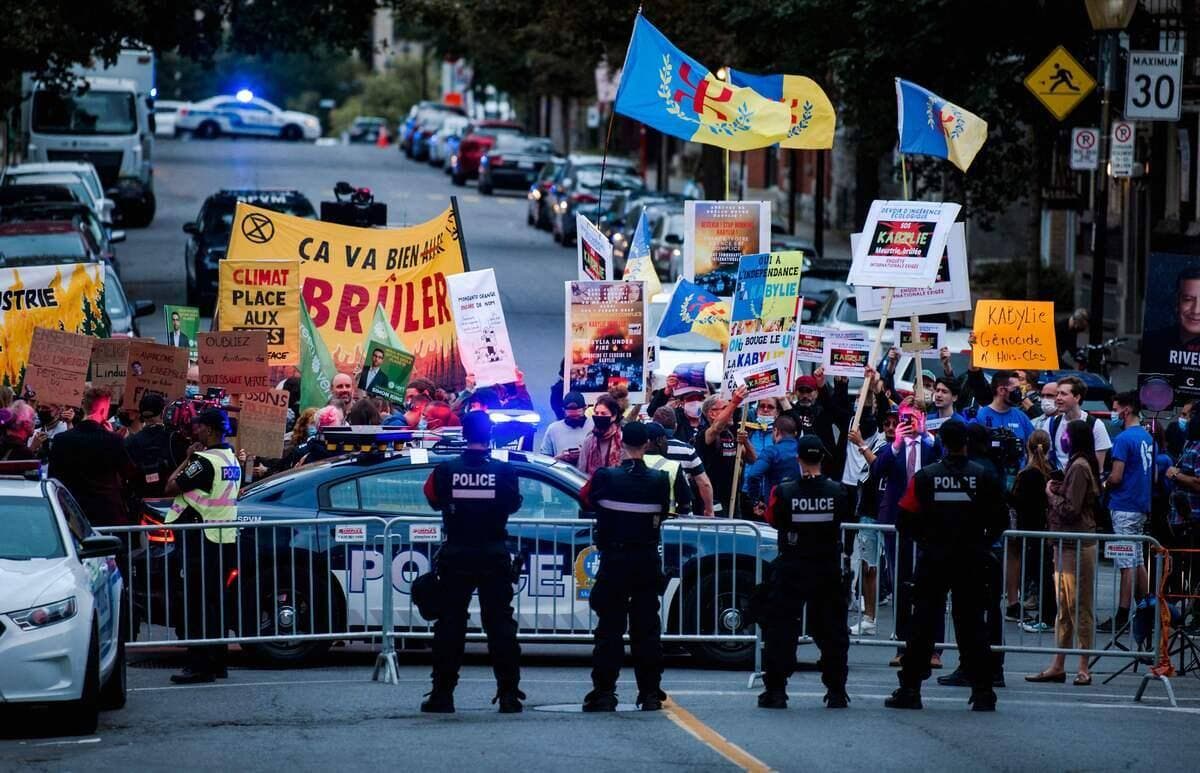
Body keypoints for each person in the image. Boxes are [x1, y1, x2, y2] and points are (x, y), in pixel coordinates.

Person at [885, 420, 1007, 712]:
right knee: (973, 626)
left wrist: (926, 540)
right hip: (971, 558)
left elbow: (904, 519)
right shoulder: (983, 476)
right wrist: (982, 542)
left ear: (941, 442)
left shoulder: (926, 477)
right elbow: (1001, 518)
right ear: (966, 443)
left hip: (934, 558)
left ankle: (910, 690)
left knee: (922, 626)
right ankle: (983, 692)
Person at [420, 411, 524, 713]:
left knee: (450, 625)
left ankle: (442, 695)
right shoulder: (504, 471)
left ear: (463, 434)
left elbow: (433, 499)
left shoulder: (445, 470)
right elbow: (514, 504)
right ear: (489, 434)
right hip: (493, 554)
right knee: (500, 625)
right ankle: (508, 695)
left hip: (457, 554)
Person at [580, 422, 672, 712]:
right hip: (645, 560)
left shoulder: (606, 477)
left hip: (615, 561)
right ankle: (650, 693)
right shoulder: (659, 480)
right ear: (646, 445)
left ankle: (604, 692)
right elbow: (663, 511)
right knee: (647, 629)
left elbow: (585, 497)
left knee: (609, 629)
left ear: (621, 443)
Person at [758, 435, 853, 709]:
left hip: (793, 566)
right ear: (821, 458)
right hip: (826, 568)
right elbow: (844, 517)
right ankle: (836, 691)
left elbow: (773, 519)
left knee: (781, 629)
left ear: (798, 458)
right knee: (833, 631)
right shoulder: (838, 492)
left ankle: (776, 691)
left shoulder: (783, 491)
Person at [163, 408, 241, 684]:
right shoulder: (231, 458)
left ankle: (199, 665)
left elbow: (170, 487)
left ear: (209, 429)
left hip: (201, 540)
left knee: (197, 603)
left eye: (199, 426)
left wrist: (187, 459)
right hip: (223, 537)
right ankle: (218, 662)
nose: (195, 431)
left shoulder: (203, 461)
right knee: (216, 602)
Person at [1028, 420, 1101, 687]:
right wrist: (1058, 488)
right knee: (1064, 607)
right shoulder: (1077, 463)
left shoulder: (1080, 466)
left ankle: (1083, 667)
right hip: (1066, 542)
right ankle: (1058, 665)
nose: (1064, 438)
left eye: (1067, 434)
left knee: (1079, 606)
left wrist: (1051, 496)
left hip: (1076, 543)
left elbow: (1071, 508)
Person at [875, 403, 942, 667]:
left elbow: (944, 459)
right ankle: (903, 646)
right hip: (899, 522)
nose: (908, 422)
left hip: (929, 523)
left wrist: (926, 435)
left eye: (912, 418)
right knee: (901, 586)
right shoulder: (892, 447)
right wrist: (895, 445)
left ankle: (934, 649)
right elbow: (877, 471)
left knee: (932, 587)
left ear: (922, 418)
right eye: (904, 418)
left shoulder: (931, 444)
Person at [1099, 391, 1153, 633]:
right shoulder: (1148, 436)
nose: (1114, 413)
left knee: (1126, 561)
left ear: (1126, 409)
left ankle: (1122, 614)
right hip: (1141, 503)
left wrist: (1104, 483)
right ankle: (1147, 606)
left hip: (1124, 504)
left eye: (1115, 408)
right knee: (1137, 557)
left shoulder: (1123, 439)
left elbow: (1117, 476)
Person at [48, 387, 139, 527]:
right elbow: (130, 473)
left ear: (84, 406)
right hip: (107, 515)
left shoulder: (61, 439)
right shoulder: (113, 440)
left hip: (73, 514)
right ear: (104, 408)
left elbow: (53, 477)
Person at [848, 407, 897, 636]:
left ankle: (901, 624)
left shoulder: (904, 448)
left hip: (893, 514)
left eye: (895, 423)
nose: (890, 428)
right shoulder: (877, 442)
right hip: (869, 510)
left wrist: (861, 444)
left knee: (897, 570)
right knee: (868, 566)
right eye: (887, 424)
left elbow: (879, 466)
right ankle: (869, 618)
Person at [1010, 431, 1057, 634]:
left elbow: (1020, 502)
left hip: (1031, 530)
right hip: (1045, 528)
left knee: (1042, 575)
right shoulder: (1050, 470)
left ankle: (1047, 616)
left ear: (1028, 447)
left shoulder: (1028, 474)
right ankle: (1047, 614)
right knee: (1045, 574)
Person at [697, 387, 751, 516]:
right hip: (713, 502)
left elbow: (752, 459)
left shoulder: (731, 435)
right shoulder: (705, 435)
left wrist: (745, 442)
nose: (731, 411)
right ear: (712, 413)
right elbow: (716, 428)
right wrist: (734, 402)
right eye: (725, 408)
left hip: (733, 501)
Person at [653, 407, 716, 517]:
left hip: (649, 513)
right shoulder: (687, 450)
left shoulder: (644, 449)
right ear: (675, 426)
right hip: (680, 515)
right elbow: (704, 483)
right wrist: (709, 510)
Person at [1047, 376, 1111, 470]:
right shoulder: (1051, 423)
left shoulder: (1095, 425)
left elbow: (1098, 468)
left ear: (1077, 397)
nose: (1058, 398)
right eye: (1057, 394)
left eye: (1063, 394)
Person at [742, 415, 800, 517]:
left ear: (776, 431)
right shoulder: (802, 450)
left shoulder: (771, 452)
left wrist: (755, 501)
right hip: (800, 506)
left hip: (776, 506)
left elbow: (753, 475)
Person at [124, 394, 179, 499]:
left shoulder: (129, 441)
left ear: (141, 414)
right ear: (163, 412)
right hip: (170, 499)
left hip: (140, 498)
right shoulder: (174, 438)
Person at [644, 422, 693, 514]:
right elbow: (685, 503)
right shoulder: (673, 467)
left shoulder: (630, 465)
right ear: (659, 441)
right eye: (665, 439)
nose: (666, 443)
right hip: (666, 521)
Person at [540, 390, 592, 464]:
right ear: (563, 410)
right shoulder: (553, 429)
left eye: (577, 416)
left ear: (585, 408)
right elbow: (544, 460)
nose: (574, 419)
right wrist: (560, 458)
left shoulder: (594, 426)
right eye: (571, 417)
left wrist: (584, 454)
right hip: (560, 470)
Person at [577, 394, 622, 476]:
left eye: (603, 414)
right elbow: (581, 468)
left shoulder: (621, 440)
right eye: (597, 413)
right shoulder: (589, 439)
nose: (599, 416)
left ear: (614, 416)